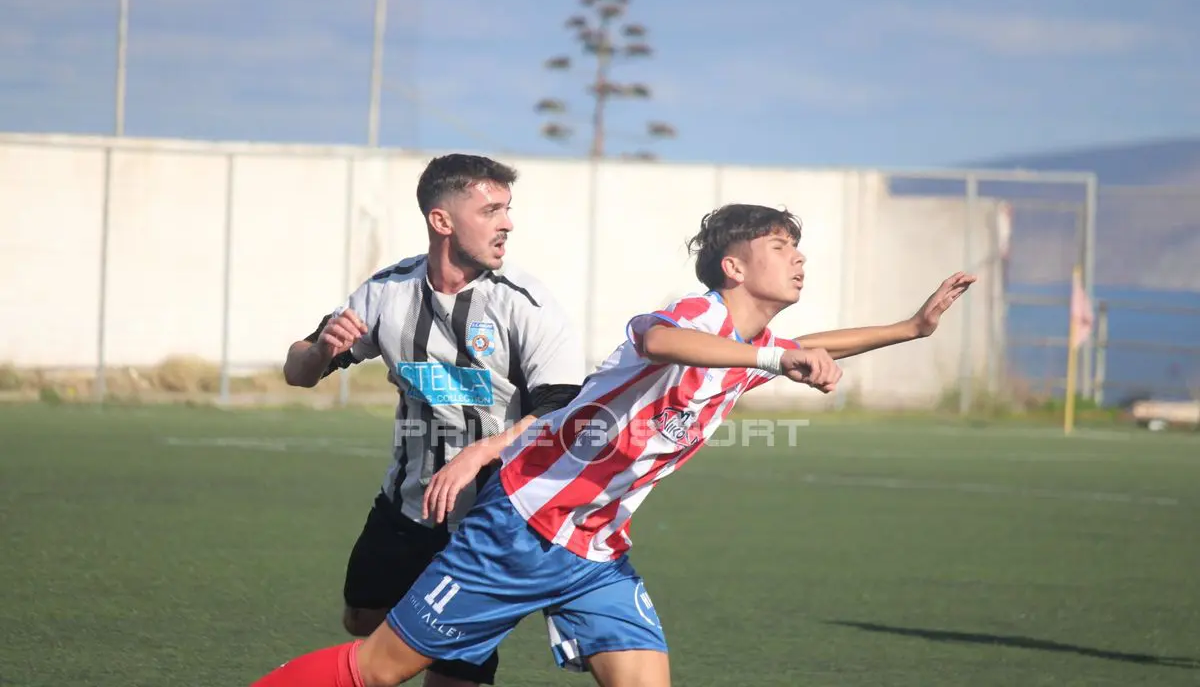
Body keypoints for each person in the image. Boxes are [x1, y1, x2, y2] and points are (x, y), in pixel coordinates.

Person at [254, 203, 976, 687]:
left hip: (595, 550)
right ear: (733, 267)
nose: (799, 259)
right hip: (522, 526)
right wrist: (775, 359)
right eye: (780, 247)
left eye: (798, 248)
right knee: (377, 669)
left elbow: (804, 344)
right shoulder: (698, 317)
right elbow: (658, 340)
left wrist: (909, 329)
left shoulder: (743, 349)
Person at [281, 153, 586, 687]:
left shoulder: (524, 301)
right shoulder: (387, 291)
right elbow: (298, 370)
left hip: (493, 514)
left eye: (507, 209)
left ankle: (459, 642)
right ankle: (444, 638)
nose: (508, 223)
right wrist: (322, 349)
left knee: (454, 658)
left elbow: (565, 410)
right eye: (491, 210)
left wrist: (479, 453)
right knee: (362, 617)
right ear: (441, 221)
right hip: (410, 500)